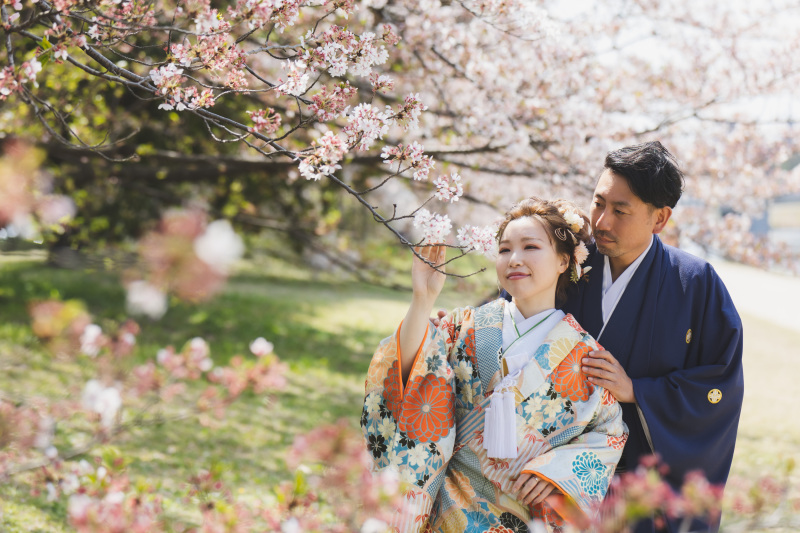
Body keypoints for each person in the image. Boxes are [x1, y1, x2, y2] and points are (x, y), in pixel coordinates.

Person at [361, 198, 628, 533]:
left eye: (530, 247)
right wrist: (422, 298)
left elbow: (609, 431)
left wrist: (557, 474)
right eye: (504, 250)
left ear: (563, 260)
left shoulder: (583, 355)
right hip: (444, 506)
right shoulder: (464, 326)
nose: (514, 259)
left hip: (519, 516)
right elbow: (409, 372)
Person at [560, 141, 744, 533]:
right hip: (551, 476)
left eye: (620, 211)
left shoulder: (696, 284)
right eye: (598, 203)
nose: (602, 221)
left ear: (660, 219)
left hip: (638, 491)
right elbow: (510, 321)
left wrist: (638, 391)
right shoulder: (565, 261)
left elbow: (718, 389)